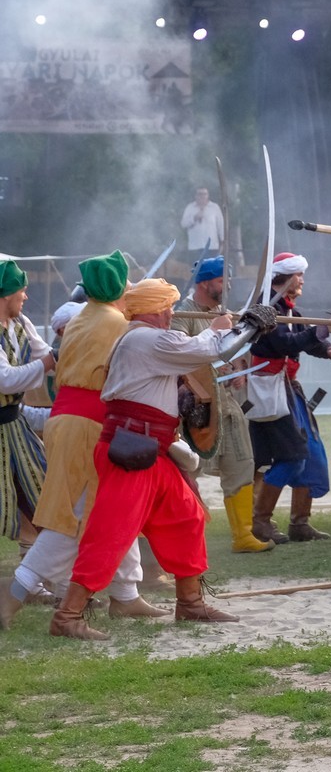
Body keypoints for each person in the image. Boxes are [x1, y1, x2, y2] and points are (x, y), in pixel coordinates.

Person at [49, 278, 271, 640]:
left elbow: (208, 351)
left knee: (186, 516)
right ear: (152, 309)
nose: (170, 313)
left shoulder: (147, 339)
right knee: (111, 533)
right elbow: (211, 349)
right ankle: (67, 615)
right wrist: (238, 326)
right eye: (165, 306)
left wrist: (243, 328)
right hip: (132, 450)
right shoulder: (146, 339)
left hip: (150, 448)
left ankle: (190, 603)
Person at [4, 253, 175, 628]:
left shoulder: (83, 317)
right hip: (90, 425)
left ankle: (126, 593)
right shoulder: (117, 324)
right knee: (76, 515)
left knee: (117, 505)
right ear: (119, 286)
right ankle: (14, 592)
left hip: (69, 421)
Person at [173, 255, 270, 553]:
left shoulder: (222, 312)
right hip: (195, 411)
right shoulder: (182, 314)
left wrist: (238, 366)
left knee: (242, 463)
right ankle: (183, 542)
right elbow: (179, 354)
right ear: (204, 283)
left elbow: (233, 349)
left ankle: (243, 536)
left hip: (226, 405)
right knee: (187, 472)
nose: (226, 285)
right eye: (220, 280)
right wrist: (213, 361)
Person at [247, 253, 331, 544]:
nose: (302, 280)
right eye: (298, 275)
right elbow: (284, 344)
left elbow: (305, 339)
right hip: (270, 392)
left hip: (289, 389)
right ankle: (260, 522)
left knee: (311, 453)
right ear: (285, 278)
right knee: (292, 457)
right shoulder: (266, 309)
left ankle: (300, 523)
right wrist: (322, 330)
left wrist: (328, 349)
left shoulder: (289, 311)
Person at [0, 260, 50, 552]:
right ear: (7, 294)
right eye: (22, 290)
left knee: (39, 495)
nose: (26, 296)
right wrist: (48, 363)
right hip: (4, 425)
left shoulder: (20, 322)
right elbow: (5, 380)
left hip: (15, 426)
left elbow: (46, 354)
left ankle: (34, 569)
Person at [180, 187, 225, 254]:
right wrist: (194, 218)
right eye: (200, 194)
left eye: (205, 194)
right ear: (196, 196)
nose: (202, 196)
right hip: (195, 247)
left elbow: (220, 225)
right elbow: (183, 224)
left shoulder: (214, 207)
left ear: (208, 195)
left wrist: (223, 241)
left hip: (211, 247)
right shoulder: (190, 208)